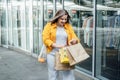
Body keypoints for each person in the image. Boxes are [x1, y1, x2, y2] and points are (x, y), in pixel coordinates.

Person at [42, 9, 80, 80]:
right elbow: (45, 39)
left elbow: (74, 36)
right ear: (57, 17)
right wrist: (56, 45)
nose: (64, 21)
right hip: (52, 54)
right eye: (62, 19)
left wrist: (75, 40)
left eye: (65, 19)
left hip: (65, 53)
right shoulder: (49, 26)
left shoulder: (68, 26)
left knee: (68, 74)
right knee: (53, 75)